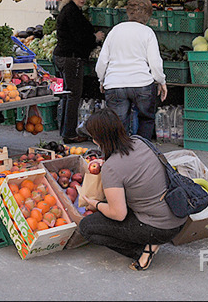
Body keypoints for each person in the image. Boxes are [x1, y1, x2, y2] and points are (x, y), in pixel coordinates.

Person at [77, 108, 187, 271]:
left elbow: (118, 214)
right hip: (179, 214)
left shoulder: (112, 168)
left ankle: (143, 250)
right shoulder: (139, 141)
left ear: (98, 138)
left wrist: (95, 204)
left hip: (158, 227)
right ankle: (151, 239)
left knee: (87, 227)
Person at [94, 0, 166, 140]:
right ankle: (141, 152)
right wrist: (161, 82)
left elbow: (102, 62)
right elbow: (155, 63)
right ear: (148, 14)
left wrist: (101, 79)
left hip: (115, 84)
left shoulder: (115, 30)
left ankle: (118, 156)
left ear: (128, 12)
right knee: (146, 119)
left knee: (118, 126)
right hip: (142, 84)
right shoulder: (147, 33)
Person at [53, 0, 105, 143]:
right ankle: (69, 134)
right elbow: (80, 37)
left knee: (68, 95)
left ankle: (66, 132)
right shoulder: (72, 12)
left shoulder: (69, 10)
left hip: (62, 56)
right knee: (73, 95)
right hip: (71, 58)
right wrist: (95, 38)